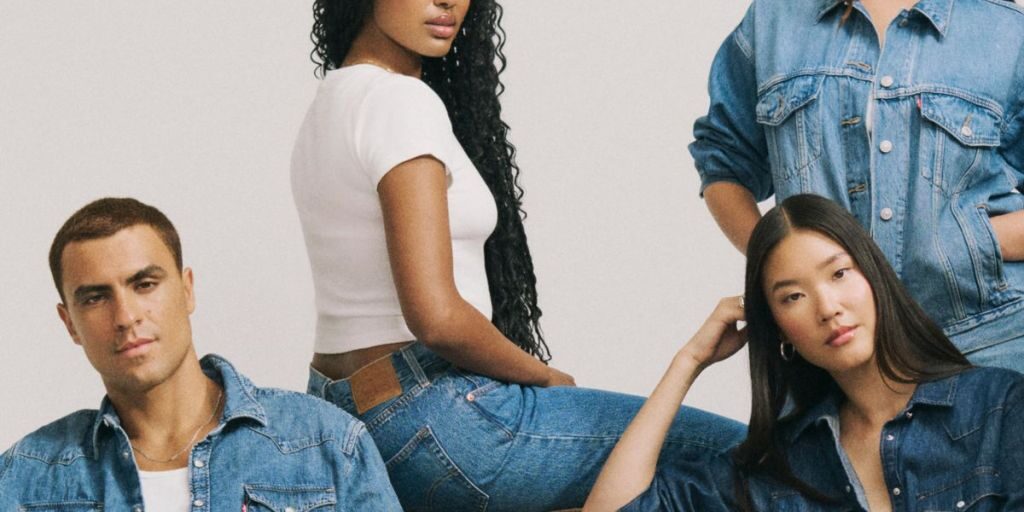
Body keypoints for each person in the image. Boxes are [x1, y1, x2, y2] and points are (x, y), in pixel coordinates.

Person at [290, 0, 746, 509]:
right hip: (431, 417)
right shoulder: (399, 100)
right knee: (742, 455)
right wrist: (543, 376)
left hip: (345, 418)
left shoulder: (330, 102)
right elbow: (437, 318)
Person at [584, 194, 1024, 511]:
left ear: (873, 277)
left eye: (839, 274)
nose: (828, 308)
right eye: (793, 296)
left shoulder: (999, 409)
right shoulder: (779, 467)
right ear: (779, 329)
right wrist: (689, 361)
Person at [0, 198, 401, 510]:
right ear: (69, 323)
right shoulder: (26, 478)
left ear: (187, 289)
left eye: (144, 284)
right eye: (95, 298)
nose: (125, 316)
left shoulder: (325, 444)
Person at [692, 0, 1024, 371]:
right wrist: (778, 264)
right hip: (832, 354)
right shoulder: (775, 18)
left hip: (986, 340)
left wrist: (974, 240)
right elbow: (723, 158)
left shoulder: (1005, 30)